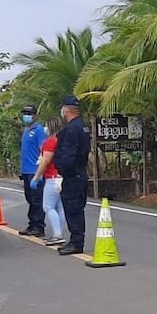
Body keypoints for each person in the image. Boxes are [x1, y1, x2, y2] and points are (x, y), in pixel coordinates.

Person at [52, 95, 91, 256]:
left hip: (72, 175)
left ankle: (76, 242)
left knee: (73, 208)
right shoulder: (83, 126)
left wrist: (61, 170)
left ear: (66, 110)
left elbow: (68, 154)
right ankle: (75, 240)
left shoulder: (71, 129)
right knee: (76, 208)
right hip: (81, 173)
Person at [29, 117, 66, 246]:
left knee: (48, 206)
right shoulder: (61, 141)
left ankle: (57, 235)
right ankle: (59, 233)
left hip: (52, 178)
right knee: (60, 207)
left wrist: (36, 177)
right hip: (60, 177)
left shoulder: (50, 142)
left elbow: (45, 161)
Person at [19, 105, 48, 237]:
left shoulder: (39, 130)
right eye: (24, 113)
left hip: (35, 171)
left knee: (37, 200)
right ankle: (32, 224)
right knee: (30, 198)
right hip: (26, 171)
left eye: (29, 113)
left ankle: (39, 226)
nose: (26, 115)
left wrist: (40, 173)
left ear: (35, 115)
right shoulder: (26, 130)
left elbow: (43, 150)